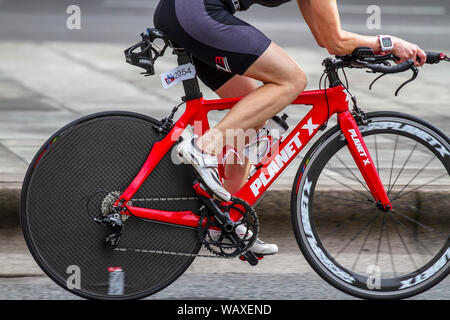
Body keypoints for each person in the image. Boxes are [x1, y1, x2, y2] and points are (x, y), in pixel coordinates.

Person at [153, 0, 427, 256]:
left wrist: (369, 51)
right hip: (197, 12)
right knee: (292, 80)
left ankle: (226, 217)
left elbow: (327, 40)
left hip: (186, 12)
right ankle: (203, 148)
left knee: (255, 113)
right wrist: (391, 44)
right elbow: (336, 40)